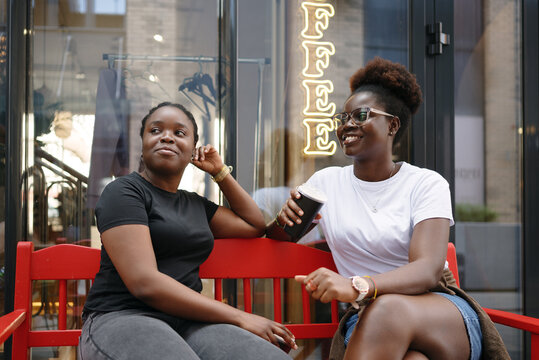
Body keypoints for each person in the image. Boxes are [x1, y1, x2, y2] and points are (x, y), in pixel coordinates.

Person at [267, 58, 509, 360]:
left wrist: (356, 286)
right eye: (343, 117)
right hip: (370, 318)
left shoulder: (425, 183)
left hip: (436, 309)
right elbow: (279, 238)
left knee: (389, 307)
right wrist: (284, 218)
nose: (347, 125)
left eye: (361, 115)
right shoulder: (326, 183)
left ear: (392, 125)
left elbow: (428, 269)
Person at [80, 102, 295, 360]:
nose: (167, 136)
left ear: (193, 150)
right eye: (155, 130)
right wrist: (240, 317)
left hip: (189, 322)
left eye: (179, 133)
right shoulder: (124, 192)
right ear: (144, 142)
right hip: (123, 316)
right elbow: (144, 283)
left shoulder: (194, 204)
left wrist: (219, 171)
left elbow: (254, 224)